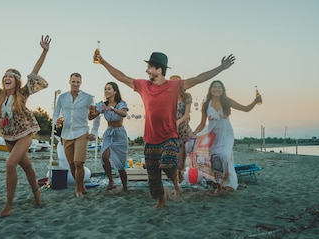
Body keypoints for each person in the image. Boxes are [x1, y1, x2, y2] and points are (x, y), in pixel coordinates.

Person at [96, 50, 235, 208]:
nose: (146, 70)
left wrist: (220, 68)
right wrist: (103, 62)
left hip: (169, 136)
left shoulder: (175, 86)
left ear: (159, 69)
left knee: (168, 165)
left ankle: (175, 180)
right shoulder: (143, 85)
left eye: (149, 67)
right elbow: (121, 77)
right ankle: (162, 199)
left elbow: (199, 78)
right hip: (150, 139)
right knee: (153, 179)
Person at [0, 35, 51, 217]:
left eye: (11, 77)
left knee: (9, 165)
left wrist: (44, 51)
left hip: (24, 133)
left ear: (16, 81)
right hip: (8, 135)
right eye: (5, 76)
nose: (7, 78)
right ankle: (37, 193)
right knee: (27, 166)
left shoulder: (22, 93)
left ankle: (8, 204)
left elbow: (34, 72)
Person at [192, 80, 262, 193]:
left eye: (219, 87)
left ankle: (231, 183)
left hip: (226, 134)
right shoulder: (206, 105)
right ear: (210, 90)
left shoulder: (227, 101)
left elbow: (245, 108)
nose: (217, 89)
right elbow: (202, 124)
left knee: (224, 156)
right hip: (212, 135)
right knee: (215, 161)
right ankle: (219, 186)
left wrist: (255, 101)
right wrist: (194, 134)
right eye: (214, 87)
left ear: (223, 90)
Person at [52, 73, 96, 197]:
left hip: (82, 132)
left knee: (78, 163)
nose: (75, 84)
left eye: (78, 82)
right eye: (73, 81)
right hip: (66, 134)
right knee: (71, 164)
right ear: (69, 81)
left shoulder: (88, 97)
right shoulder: (62, 97)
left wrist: (94, 132)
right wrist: (57, 121)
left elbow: (95, 115)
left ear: (81, 83)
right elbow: (56, 114)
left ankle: (78, 188)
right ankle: (81, 185)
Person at [89, 81, 130, 192]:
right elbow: (91, 117)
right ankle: (111, 180)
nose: (106, 91)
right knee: (104, 156)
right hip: (109, 133)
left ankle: (125, 186)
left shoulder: (121, 103)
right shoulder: (103, 104)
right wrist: (92, 110)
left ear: (115, 91)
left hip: (120, 134)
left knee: (121, 164)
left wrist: (111, 109)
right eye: (105, 89)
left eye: (109, 89)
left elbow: (124, 114)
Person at [169, 75, 193, 183]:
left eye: (177, 82)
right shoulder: (168, 98)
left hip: (184, 130)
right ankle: (177, 178)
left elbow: (187, 115)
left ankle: (182, 172)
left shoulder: (187, 96)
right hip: (172, 132)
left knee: (187, 159)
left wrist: (178, 122)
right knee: (177, 162)